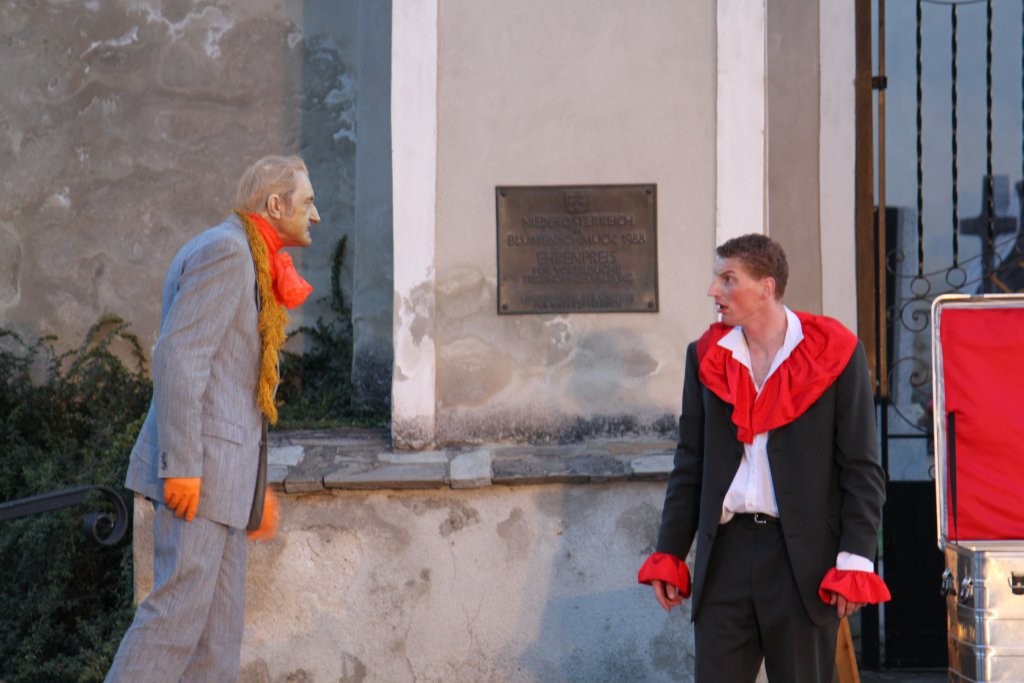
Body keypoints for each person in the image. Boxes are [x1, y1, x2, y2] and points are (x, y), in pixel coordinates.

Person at [638, 234, 890, 682]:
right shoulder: (706, 357)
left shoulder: (835, 353)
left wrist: (854, 558)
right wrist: (671, 551)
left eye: (728, 279)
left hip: (802, 560)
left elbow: (861, 468)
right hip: (726, 554)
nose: (714, 291)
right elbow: (690, 462)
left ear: (766, 287)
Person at [106, 155, 320, 681]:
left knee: (216, 644)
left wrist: (252, 488)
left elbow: (230, 386)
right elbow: (181, 356)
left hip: (223, 481)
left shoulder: (247, 255)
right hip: (198, 476)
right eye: (308, 202)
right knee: (173, 621)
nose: (315, 215)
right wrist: (181, 464)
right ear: (276, 205)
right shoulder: (227, 252)